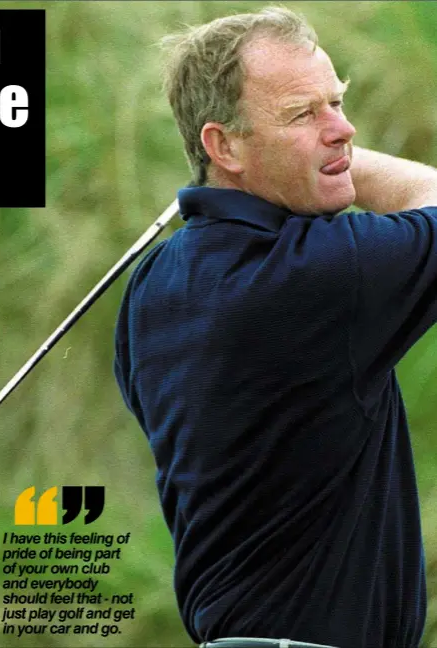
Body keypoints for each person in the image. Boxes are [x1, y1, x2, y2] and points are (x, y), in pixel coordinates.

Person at [113, 6, 437, 648]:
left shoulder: (150, 288)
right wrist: (340, 160)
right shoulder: (318, 274)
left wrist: (308, 147)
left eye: (337, 102)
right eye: (302, 114)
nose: (342, 129)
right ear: (223, 146)